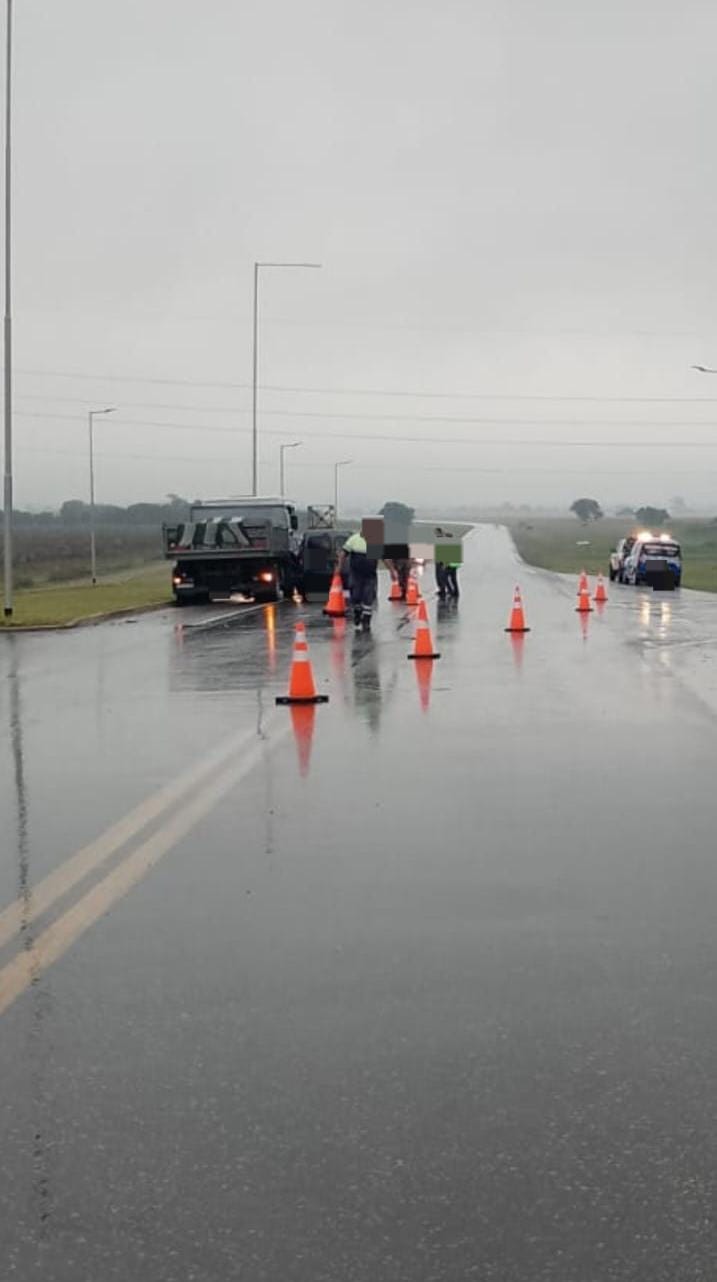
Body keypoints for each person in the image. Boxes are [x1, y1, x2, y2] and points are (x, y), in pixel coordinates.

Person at [338, 529, 378, 631]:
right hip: (356, 574)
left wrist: (391, 570)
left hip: (370, 575)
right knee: (356, 595)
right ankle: (357, 612)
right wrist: (339, 567)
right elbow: (343, 553)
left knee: (368, 598)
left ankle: (366, 621)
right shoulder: (354, 539)